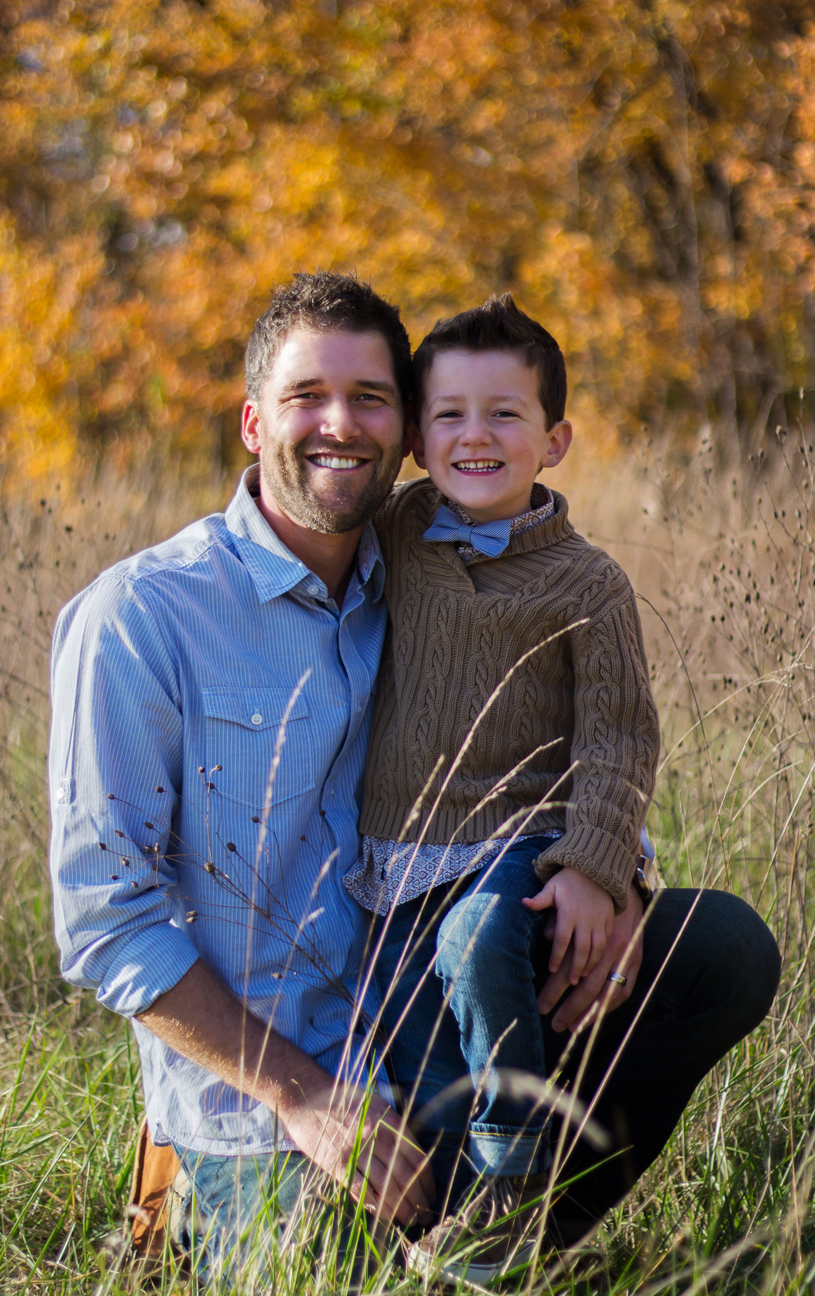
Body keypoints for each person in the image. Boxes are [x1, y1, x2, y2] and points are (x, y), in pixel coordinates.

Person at [344, 295, 781, 1283]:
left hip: (520, 844)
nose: (475, 435)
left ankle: (515, 1168)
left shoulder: (588, 584)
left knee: (477, 940)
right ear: (415, 440)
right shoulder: (397, 531)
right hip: (397, 865)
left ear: (555, 440)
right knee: (422, 1052)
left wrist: (594, 866)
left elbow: (619, 739)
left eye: (505, 414)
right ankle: (472, 1242)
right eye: (449, 414)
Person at [49, 271, 437, 1280]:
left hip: (429, 1048)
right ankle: (180, 1204)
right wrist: (304, 1095)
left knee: (712, 954)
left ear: (406, 430)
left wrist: (615, 870)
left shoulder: (434, 592)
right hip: (257, 1111)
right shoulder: (142, 617)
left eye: (370, 397)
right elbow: (107, 922)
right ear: (253, 422)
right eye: (308, 395)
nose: (340, 423)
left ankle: (519, 1229)